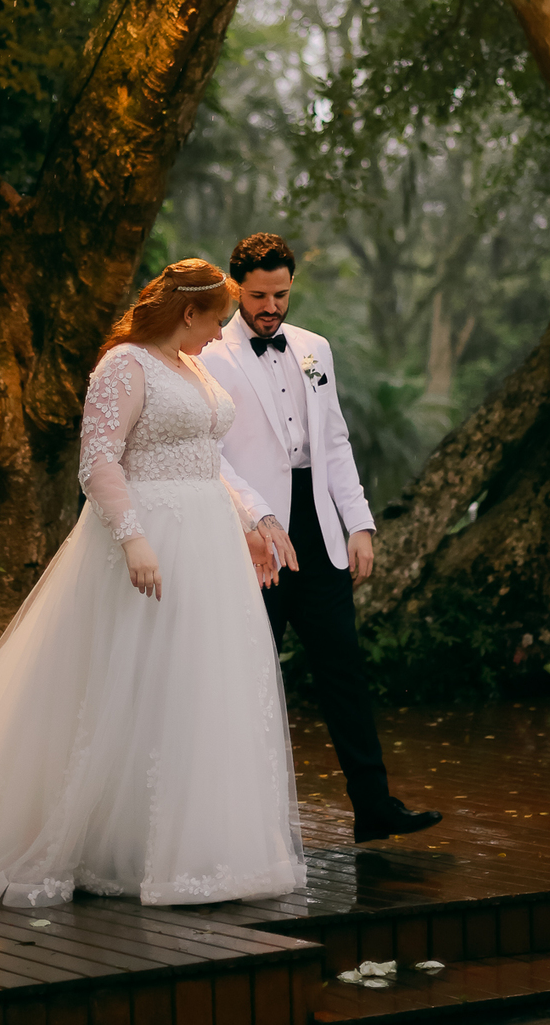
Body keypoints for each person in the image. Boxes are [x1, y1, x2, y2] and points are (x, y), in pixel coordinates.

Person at [0, 258, 305, 909]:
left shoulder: (191, 368)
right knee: (133, 682)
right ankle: (99, 841)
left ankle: (186, 847)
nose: (221, 334)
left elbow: (206, 461)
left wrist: (249, 523)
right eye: (216, 320)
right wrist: (133, 538)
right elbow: (98, 461)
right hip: (152, 535)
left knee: (194, 687)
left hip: (207, 544)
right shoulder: (125, 366)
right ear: (188, 313)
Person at [202, 232, 441, 849]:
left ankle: (374, 807)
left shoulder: (314, 349)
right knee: (251, 678)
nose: (271, 307)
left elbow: (334, 440)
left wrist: (358, 523)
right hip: (257, 539)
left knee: (344, 671)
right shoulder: (209, 355)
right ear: (236, 289)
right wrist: (253, 521)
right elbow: (209, 454)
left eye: (281, 294)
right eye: (259, 296)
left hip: (320, 529)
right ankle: (238, 822)